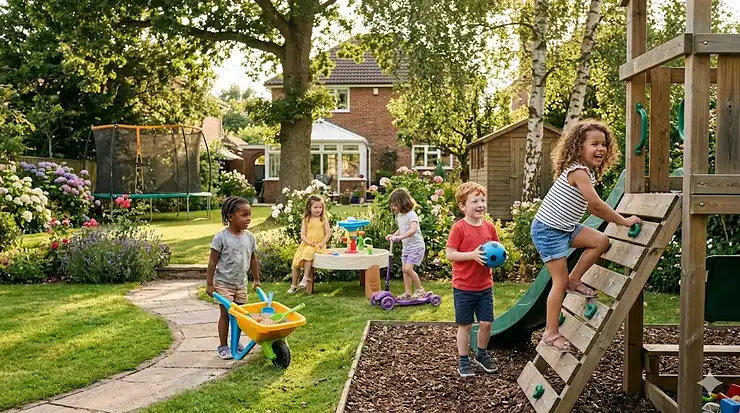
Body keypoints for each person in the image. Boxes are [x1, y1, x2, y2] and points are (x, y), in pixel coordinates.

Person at [531, 119, 641, 353]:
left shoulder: (586, 173)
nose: (600, 149)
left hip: (566, 227)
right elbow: (596, 206)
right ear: (579, 147)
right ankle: (550, 334)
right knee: (557, 282)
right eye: (594, 144)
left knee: (600, 241)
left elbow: (591, 207)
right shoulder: (579, 172)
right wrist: (623, 220)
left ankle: (575, 279)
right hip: (548, 230)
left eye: (603, 144)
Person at [445, 182, 499, 377]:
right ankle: (463, 359)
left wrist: (501, 258)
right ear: (462, 206)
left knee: (486, 323)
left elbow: (496, 251)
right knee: (465, 325)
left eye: (482, 200)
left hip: (485, 286)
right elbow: (450, 254)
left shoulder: (489, 227)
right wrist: (472, 255)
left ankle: (481, 354)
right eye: (474, 201)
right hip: (464, 287)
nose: (480, 204)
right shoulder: (459, 228)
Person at [206, 196, 261, 360]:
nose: (248, 218)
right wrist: (210, 284)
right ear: (230, 217)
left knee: (240, 316)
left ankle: (235, 342)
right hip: (224, 283)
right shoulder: (221, 238)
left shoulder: (249, 237)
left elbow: (253, 259)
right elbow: (212, 261)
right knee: (225, 315)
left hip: (240, 283)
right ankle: (223, 346)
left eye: (249, 214)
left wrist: (256, 280)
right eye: (244, 215)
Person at [385, 188, 428, 300]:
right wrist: (393, 235)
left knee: (408, 269)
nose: (393, 208)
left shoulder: (411, 215)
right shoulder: (400, 216)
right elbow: (402, 229)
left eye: (395, 205)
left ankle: (420, 290)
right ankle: (408, 293)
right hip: (407, 247)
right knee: (404, 269)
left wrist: (400, 237)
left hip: (416, 246)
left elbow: (413, 230)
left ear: (402, 203)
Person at [288, 195, 331, 293]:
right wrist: (309, 242)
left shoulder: (323, 219)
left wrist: (321, 243)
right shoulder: (306, 219)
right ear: (309, 208)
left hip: (318, 246)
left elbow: (328, 234)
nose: (318, 210)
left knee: (308, 253)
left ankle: (306, 278)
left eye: (320, 207)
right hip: (307, 244)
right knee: (295, 263)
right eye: (315, 207)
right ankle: (293, 285)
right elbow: (303, 235)